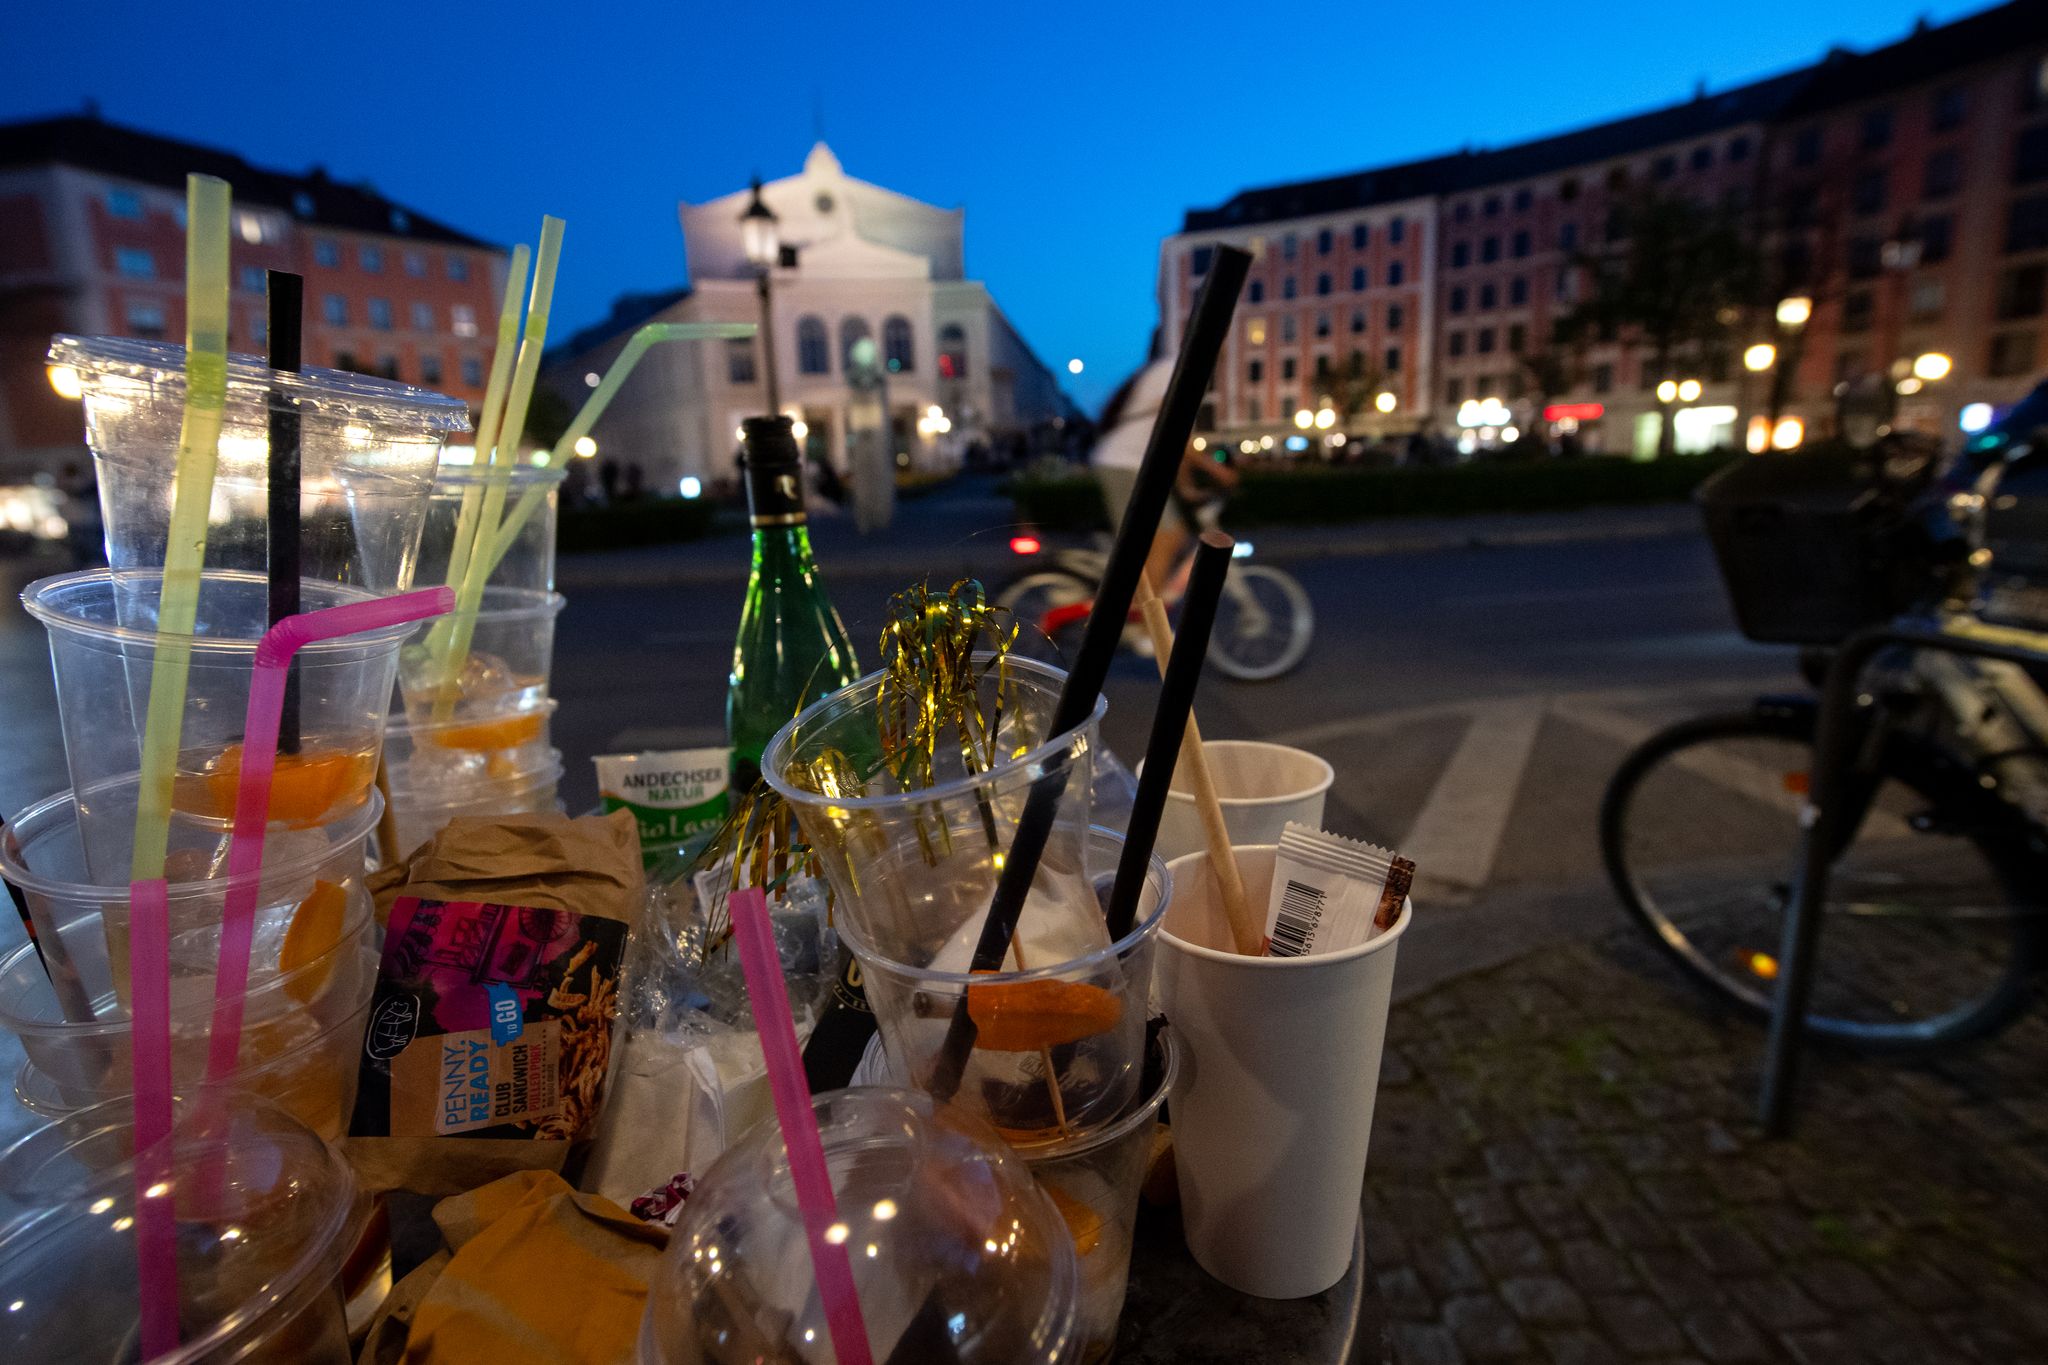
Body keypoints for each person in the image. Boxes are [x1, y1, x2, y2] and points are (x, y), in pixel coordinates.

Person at [1091, 359, 1238, 591]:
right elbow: (1175, 430)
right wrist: (1218, 470)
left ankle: (1145, 599)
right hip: (1125, 463)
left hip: (1132, 465)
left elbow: (1173, 446)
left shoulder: (1173, 369)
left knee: (1173, 535)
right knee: (1166, 536)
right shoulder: (1174, 369)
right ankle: (1145, 608)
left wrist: (1187, 488)